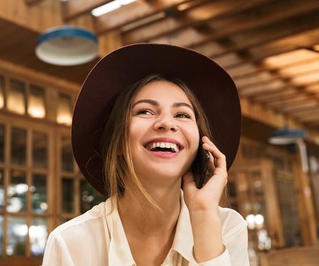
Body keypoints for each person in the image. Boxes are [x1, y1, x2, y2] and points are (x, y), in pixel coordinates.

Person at [42, 43, 249, 266]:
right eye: (145, 111)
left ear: (200, 144)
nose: (167, 123)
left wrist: (203, 215)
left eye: (182, 114)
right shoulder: (70, 244)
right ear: (118, 142)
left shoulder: (227, 227)